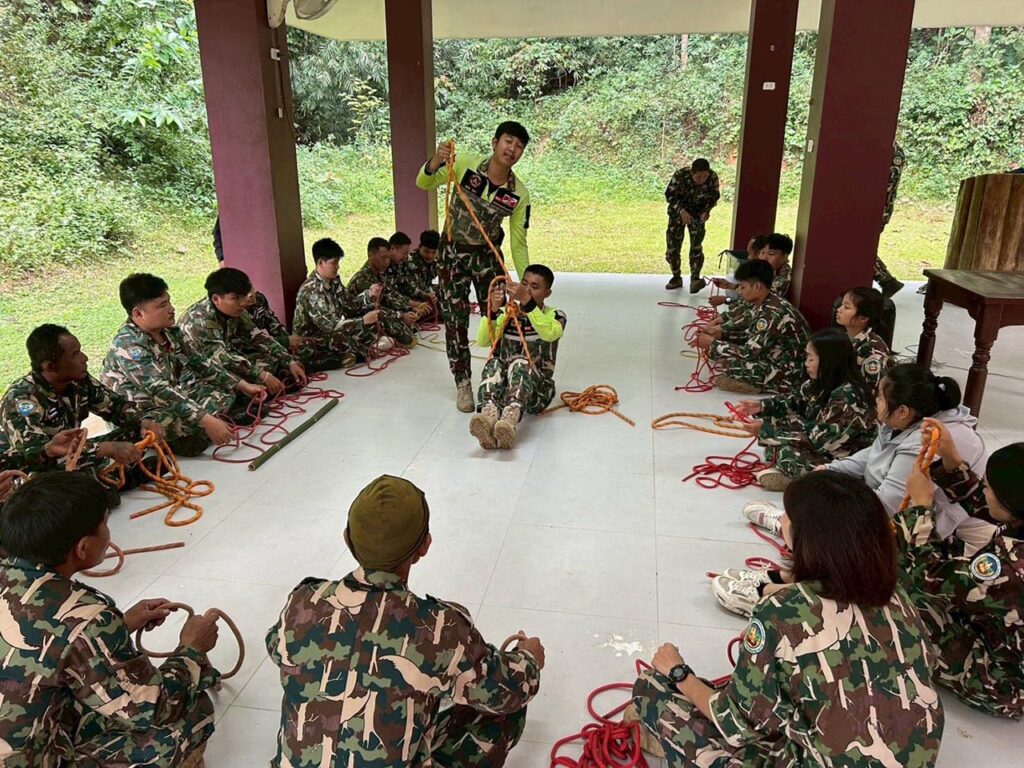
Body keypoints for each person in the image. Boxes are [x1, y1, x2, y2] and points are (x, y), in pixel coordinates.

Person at [633, 471, 944, 766]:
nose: (781, 521)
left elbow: (736, 725)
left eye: (786, 516)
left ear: (806, 538)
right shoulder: (898, 597)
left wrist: (679, 673)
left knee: (653, 688)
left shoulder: (779, 611)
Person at [266, 475, 544, 767]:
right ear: (424, 545)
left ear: (347, 538)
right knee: (502, 711)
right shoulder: (438, 626)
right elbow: (512, 691)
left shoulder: (303, 601)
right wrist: (529, 658)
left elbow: (276, 647)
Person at [0, 472, 221, 767]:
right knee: (190, 713)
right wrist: (191, 649)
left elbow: (42, 644)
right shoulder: (86, 618)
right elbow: (154, 707)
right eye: (105, 524)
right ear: (82, 547)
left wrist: (121, 624)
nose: (108, 533)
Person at [741, 364, 989, 556]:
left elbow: (887, 508)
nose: (875, 400)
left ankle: (790, 528)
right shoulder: (908, 420)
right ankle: (795, 524)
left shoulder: (924, 440)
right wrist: (830, 470)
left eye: (880, 397)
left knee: (831, 545)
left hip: (931, 537)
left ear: (903, 411)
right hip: (894, 506)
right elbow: (872, 453)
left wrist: (833, 507)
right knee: (819, 488)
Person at [900, 420, 1023, 719]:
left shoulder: (1010, 566)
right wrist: (952, 460)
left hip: (1002, 680)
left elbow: (925, 574)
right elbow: (988, 504)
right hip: (1001, 629)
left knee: (899, 605)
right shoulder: (1018, 516)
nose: (984, 489)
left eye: (988, 486)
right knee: (944, 547)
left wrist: (919, 507)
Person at [416, 121, 533, 413]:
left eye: (519, 146)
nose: (512, 149)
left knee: (498, 319)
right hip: (451, 257)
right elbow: (424, 182)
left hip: (487, 259)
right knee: (455, 322)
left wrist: (527, 285)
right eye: (508, 141)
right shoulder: (465, 164)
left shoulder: (518, 194)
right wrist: (436, 160)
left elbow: (518, 242)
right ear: (495, 142)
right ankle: (463, 383)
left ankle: (497, 379)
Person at [101, 273, 265, 457]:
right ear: (138, 313)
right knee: (169, 420)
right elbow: (160, 390)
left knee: (222, 393)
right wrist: (206, 420)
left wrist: (242, 385)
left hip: (168, 397)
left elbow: (200, 363)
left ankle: (199, 429)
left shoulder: (170, 332)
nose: (171, 309)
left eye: (169, 302)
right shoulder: (129, 346)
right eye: (162, 305)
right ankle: (183, 436)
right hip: (139, 411)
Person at [0, 324, 163, 477]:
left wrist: (143, 421)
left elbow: (116, 407)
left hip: (72, 453)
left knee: (140, 429)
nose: (85, 358)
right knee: (65, 476)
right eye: (75, 354)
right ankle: (118, 477)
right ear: (50, 366)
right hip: (33, 470)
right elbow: (33, 456)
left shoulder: (78, 380)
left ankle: (117, 476)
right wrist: (104, 449)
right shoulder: (21, 400)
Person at [734, 328, 876, 491]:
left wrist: (768, 430)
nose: (806, 363)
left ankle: (811, 483)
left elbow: (819, 441)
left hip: (844, 461)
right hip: (826, 448)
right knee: (776, 439)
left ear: (828, 361)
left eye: (811, 358)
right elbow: (794, 401)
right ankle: (797, 477)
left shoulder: (847, 395)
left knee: (786, 452)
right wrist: (761, 406)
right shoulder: (821, 382)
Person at [469, 264, 566, 450]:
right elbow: (483, 341)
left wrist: (528, 303)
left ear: (547, 293)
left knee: (520, 362)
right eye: (524, 284)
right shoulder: (508, 314)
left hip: (537, 392)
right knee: (494, 362)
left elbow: (549, 334)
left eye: (535, 287)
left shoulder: (556, 316)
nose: (527, 290)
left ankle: (510, 420)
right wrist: (494, 311)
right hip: (505, 390)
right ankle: (488, 416)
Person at [178, 268, 308, 397]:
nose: (242, 303)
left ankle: (262, 390)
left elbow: (258, 338)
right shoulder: (198, 321)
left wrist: (289, 361)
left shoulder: (237, 311)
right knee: (227, 393)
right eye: (235, 298)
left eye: (243, 297)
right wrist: (262, 375)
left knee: (274, 363)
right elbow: (222, 359)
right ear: (216, 299)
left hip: (229, 360)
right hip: (201, 374)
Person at [693, 259, 809, 395]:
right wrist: (720, 335)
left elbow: (748, 353)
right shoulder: (765, 302)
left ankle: (773, 386)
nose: (740, 292)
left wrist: (712, 343)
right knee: (722, 356)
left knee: (731, 366)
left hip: (792, 372)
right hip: (774, 356)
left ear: (757, 287)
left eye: (743, 287)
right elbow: (751, 336)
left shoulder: (772, 313)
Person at [293, 237, 383, 363]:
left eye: (338, 262)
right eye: (334, 263)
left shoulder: (334, 281)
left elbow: (349, 304)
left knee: (371, 329)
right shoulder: (312, 290)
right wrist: (362, 321)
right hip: (313, 341)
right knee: (341, 339)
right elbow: (329, 326)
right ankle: (345, 357)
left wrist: (369, 295)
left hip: (333, 333)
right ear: (320, 262)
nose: (338, 267)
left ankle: (353, 354)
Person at [347, 237, 420, 347]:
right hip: (363, 321)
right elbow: (376, 309)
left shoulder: (379, 275)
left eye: (388, 258)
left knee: (411, 328)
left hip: (381, 315)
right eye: (383, 258)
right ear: (370, 255)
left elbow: (391, 297)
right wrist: (401, 316)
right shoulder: (362, 279)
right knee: (406, 339)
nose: (386, 262)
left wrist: (411, 308)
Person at [663, 158, 720, 293]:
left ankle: (695, 279)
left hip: (697, 215)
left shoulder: (712, 177)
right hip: (677, 214)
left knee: (696, 247)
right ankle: (676, 277)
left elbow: (714, 196)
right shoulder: (680, 175)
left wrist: (707, 211)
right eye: (698, 177)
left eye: (704, 176)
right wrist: (681, 211)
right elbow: (670, 195)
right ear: (692, 173)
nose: (702, 180)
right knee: (673, 247)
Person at [834, 286, 894, 388]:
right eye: (841, 304)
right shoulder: (844, 336)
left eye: (846, 307)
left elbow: (873, 391)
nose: (838, 309)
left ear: (863, 318)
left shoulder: (872, 352)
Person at [874, 142, 906, 298]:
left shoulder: (891, 150)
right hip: (877, 208)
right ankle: (887, 281)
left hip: (879, 209)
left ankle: (887, 280)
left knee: (860, 247)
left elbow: (887, 184)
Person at [404, 229, 441, 302]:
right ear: (420, 247)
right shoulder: (410, 261)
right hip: (414, 299)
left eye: (433, 252)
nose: (430, 256)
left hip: (432, 297)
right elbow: (413, 287)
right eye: (426, 251)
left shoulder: (439, 260)